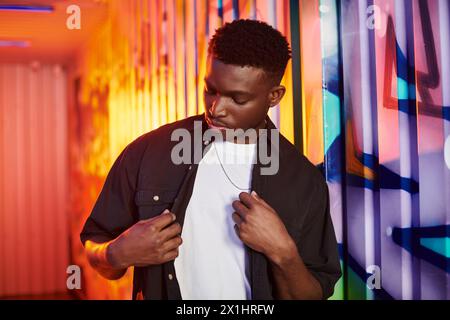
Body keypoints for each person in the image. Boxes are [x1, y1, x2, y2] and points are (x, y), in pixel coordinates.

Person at [80, 19, 341, 300]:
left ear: (274, 96)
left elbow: (314, 294)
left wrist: (283, 251)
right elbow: (96, 246)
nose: (216, 109)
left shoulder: (303, 182)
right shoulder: (148, 153)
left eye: (237, 99)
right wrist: (117, 253)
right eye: (211, 90)